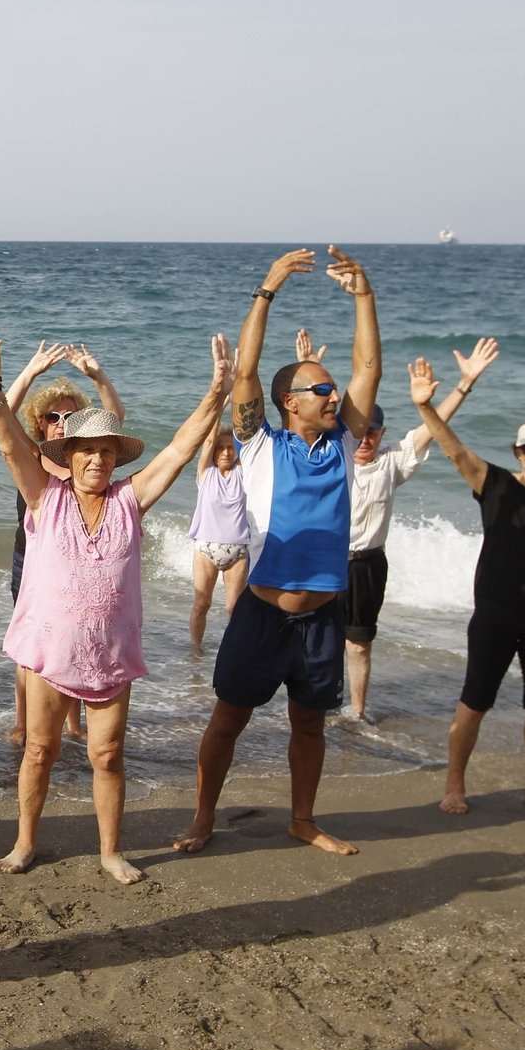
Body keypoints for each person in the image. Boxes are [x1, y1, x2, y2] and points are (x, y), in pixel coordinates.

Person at [0, 320, 233, 882]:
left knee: (107, 756)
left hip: (110, 655)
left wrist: (218, 391)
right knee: (40, 750)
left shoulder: (130, 500)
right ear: (69, 454)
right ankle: (24, 842)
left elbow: (182, 448)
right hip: (48, 651)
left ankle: (111, 850)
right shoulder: (45, 496)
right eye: (87, 451)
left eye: (107, 452)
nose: (97, 461)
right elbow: (10, 442)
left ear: (116, 455)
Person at [173, 247, 380, 858]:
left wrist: (363, 295)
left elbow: (369, 365)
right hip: (262, 615)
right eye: (321, 388)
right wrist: (266, 289)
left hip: (321, 618)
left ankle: (303, 819)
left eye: (334, 388)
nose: (334, 394)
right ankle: (204, 816)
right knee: (228, 720)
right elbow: (246, 373)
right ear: (290, 401)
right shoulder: (261, 444)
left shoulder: (343, 444)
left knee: (309, 724)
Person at [408, 359, 525, 820]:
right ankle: (454, 786)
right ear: (518, 452)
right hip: (497, 611)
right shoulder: (494, 484)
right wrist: (427, 406)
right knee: (475, 701)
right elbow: (454, 451)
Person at [341, 336, 499, 720]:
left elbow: (434, 428)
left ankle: (357, 712)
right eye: (361, 431)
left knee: (359, 645)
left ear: (382, 433)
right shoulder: (334, 456)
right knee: (316, 639)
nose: (367, 439)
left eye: (374, 432)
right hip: (323, 561)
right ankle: (315, 705)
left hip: (366, 565)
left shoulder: (393, 461)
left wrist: (462, 386)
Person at [2, 340, 126, 744]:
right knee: (34, 648)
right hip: (33, 563)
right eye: (51, 416)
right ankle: (25, 721)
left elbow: (115, 418)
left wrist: (97, 375)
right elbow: (0, 415)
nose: (59, 422)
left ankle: (73, 723)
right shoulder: (32, 457)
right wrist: (30, 372)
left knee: (77, 639)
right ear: (39, 423)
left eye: (68, 416)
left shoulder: (88, 461)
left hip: (81, 568)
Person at [187, 427, 249, 652]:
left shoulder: (242, 472)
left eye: (230, 448)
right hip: (206, 549)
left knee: (234, 608)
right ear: (213, 452)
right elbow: (209, 440)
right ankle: (195, 651)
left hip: (238, 550)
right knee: (202, 604)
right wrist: (221, 404)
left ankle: (233, 652)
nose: (225, 453)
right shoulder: (206, 473)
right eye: (220, 448)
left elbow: (249, 442)